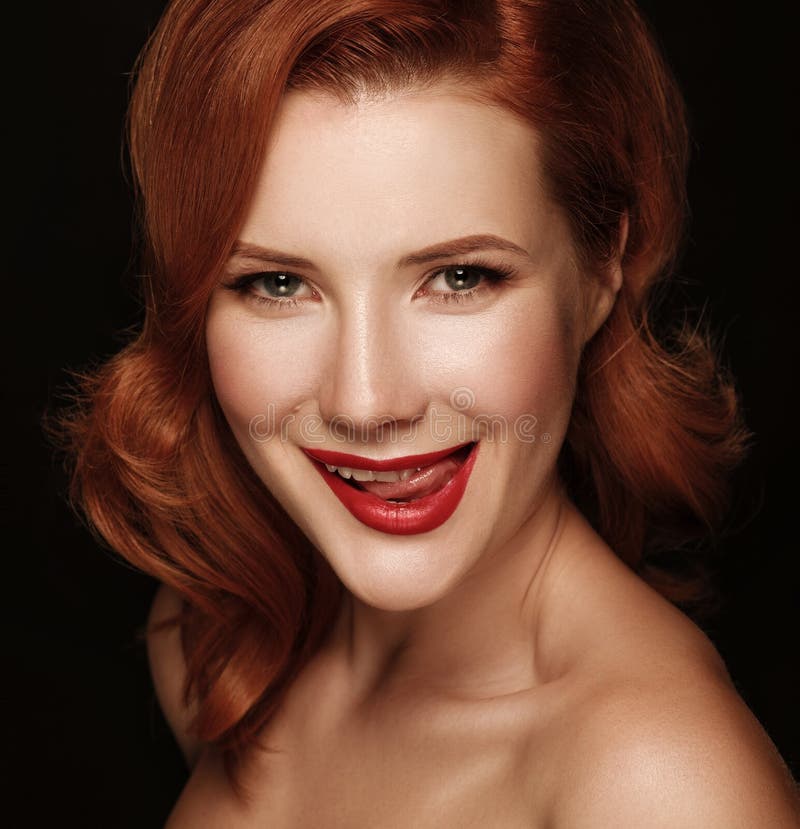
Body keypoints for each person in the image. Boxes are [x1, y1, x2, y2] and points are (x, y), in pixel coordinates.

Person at [54, 0, 799, 824]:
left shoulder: (661, 786)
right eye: (277, 283)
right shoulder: (212, 639)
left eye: (459, 278)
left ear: (600, 268)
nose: (366, 402)